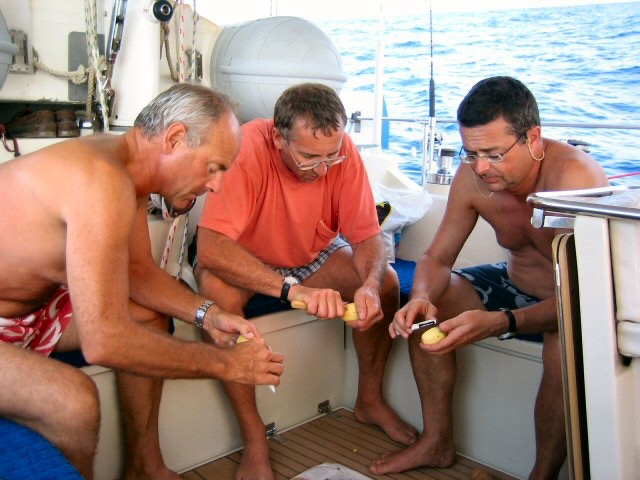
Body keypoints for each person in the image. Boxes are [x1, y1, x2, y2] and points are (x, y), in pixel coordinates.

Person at [0, 83, 284, 480]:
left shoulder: (124, 171)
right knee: (74, 402)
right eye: (214, 167)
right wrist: (228, 364)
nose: (216, 186)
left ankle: (144, 468)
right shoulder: (102, 179)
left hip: (32, 315)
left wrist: (209, 314)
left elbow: (137, 273)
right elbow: (104, 341)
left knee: (148, 316)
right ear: (175, 138)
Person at [369, 76, 609, 478]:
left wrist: (501, 321)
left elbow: (584, 297)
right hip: (515, 282)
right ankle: (437, 443)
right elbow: (437, 257)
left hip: (575, 301)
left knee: (563, 348)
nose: (481, 167)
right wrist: (421, 296)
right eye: (471, 153)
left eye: (494, 154)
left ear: (533, 138)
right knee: (425, 312)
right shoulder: (473, 177)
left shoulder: (574, 181)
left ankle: (542, 475)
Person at [194, 82, 418, 479]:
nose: (323, 168)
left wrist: (368, 285)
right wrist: (291, 290)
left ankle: (369, 400)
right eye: (310, 157)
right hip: (242, 259)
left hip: (308, 256)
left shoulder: (341, 152)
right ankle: (254, 437)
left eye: (332, 156)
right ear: (279, 138)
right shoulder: (247, 147)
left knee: (385, 283)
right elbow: (212, 248)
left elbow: (367, 236)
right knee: (218, 302)